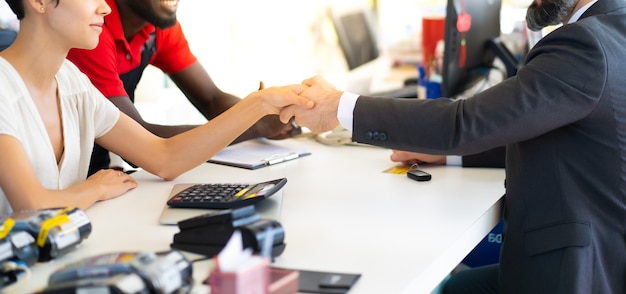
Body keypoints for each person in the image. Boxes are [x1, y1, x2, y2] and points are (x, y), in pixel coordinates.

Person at [283, 0, 626, 293]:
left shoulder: (585, 45)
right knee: (458, 286)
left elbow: (465, 122)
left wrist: (341, 108)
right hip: (607, 255)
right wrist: (451, 153)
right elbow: (554, 130)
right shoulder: (613, 28)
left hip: (581, 273)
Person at [0, 0, 313, 217]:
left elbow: (164, 158)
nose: (105, 7)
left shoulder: (73, 84)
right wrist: (93, 188)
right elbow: (32, 206)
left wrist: (259, 104)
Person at [65, 0, 301, 175]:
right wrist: (255, 122)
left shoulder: (157, 27)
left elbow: (211, 98)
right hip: (74, 183)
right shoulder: (90, 31)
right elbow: (140, 145)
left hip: (99, 178)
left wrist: (269, 113)